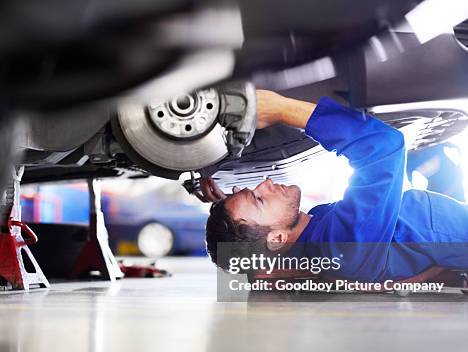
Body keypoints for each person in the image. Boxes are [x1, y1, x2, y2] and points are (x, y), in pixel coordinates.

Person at [200, 90, 468, 281]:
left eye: (253, 190)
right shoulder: (344, 245)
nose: (266, 183)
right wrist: (283, 108)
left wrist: (227, 211)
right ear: (278, 239)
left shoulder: (314, 243)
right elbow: (384, 148)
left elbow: (256, 265)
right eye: (259, 199)